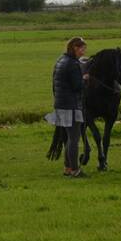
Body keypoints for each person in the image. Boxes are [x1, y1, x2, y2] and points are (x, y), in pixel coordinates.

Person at [46, 37, 88, 178]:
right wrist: (85, 79)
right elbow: (77, 86)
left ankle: (67, 167)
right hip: (71, 105)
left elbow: (54, 84)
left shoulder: (60, 60)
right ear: (75, 48)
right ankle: (75, 169)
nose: (84, 51)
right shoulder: (73, 64)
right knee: (74, 139)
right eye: (82, 48)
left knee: (69, 138)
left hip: (60, 104)